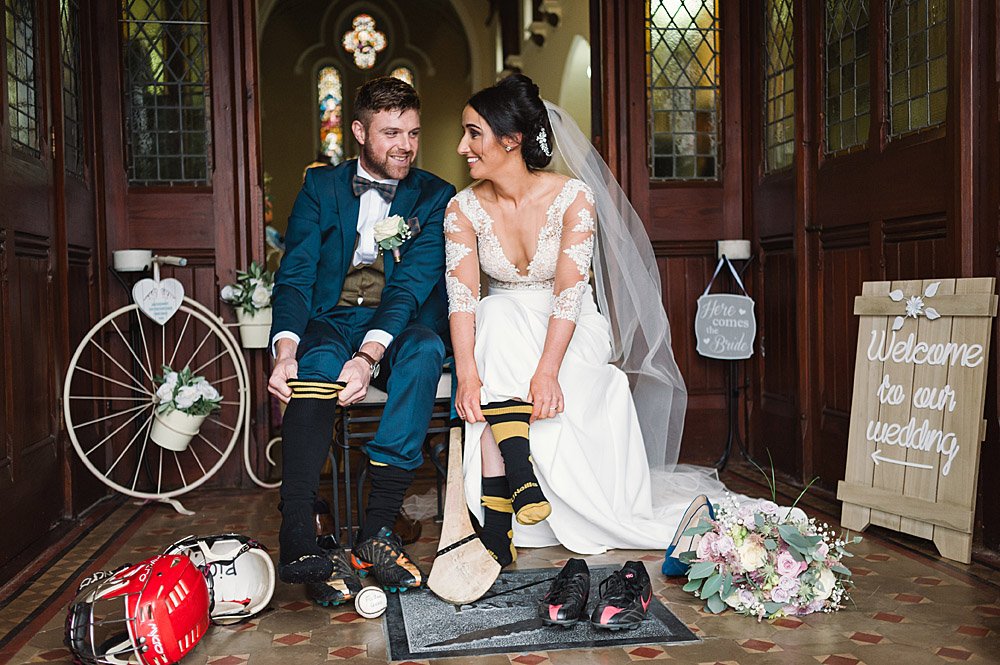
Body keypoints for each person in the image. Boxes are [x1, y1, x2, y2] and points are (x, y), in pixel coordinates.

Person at [445, 74, 722, 569]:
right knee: (496, 312)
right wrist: (466, 376)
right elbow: (463, 297)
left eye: (473, 133)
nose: (462, 147)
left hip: (570, 326)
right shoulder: (462, 208)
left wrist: (548, 371)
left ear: (511, 140)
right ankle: (520, 480)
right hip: (502, 327)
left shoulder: (573, 196)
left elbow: (569, 294)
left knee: (501, 325)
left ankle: (499, 518)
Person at [269, 76, 455, 604]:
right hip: (330, 318)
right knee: (315, 365)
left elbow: (410, 285)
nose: (405, 146)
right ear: (358, 132)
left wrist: (369, 356)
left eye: (413, 133)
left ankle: (378, 530)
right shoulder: (320, 188)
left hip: (399, 321)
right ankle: (298, 533)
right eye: (391, 133)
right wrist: (285, 351)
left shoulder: (435, 195)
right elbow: (296, 275)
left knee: (424, 350)